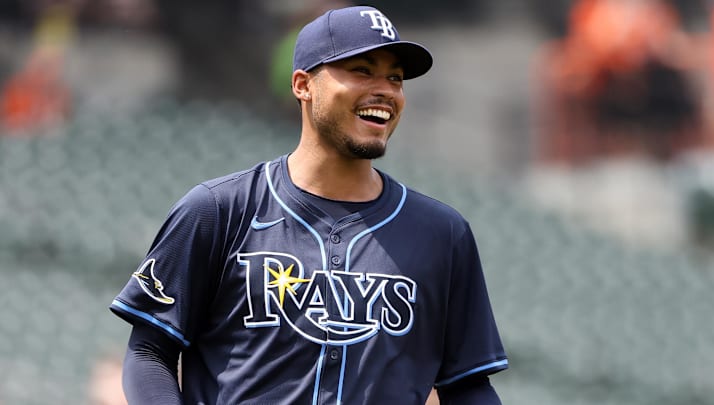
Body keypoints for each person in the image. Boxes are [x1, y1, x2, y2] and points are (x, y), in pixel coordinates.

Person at [109, 5, 508, 404]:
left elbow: (468, 386)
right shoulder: (217, 211)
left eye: (396, 78)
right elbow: (149, 352)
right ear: (303, 85)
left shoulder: (441, 233)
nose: (385, 89)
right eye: (362, 71)